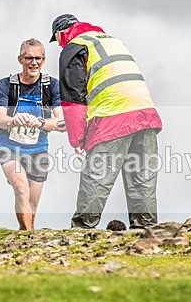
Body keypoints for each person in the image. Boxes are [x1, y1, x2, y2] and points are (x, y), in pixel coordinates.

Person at [50, 13, 163, 229]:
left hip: (113, 114)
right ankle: (146, 231)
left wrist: (77, 139)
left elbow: (73, 99)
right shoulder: (112, 40)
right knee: (142, 177)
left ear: (59, 34)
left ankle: (82, 229)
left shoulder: (74, 46)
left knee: (97, 175)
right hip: (145, 113)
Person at [0, 38, 65, 231]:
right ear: (20, 59)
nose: (34, 63)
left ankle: (26, 235)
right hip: (9, 147)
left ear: (44, 60)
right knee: (21, 188)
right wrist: (13, 120)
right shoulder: (6, 85)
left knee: (32, 204)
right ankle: (27, 237)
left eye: (38, 59)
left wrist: (41, 122)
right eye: (29, 58)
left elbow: (62, 122)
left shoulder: (51, 86)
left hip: (38, 149)